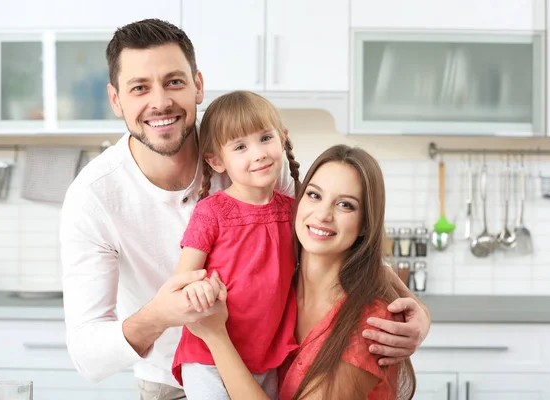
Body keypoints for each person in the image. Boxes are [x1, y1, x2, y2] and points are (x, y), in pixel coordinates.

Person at [59, 18, 430, 400]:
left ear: (197, 85)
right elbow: (89, 356)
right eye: (140, 88)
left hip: (269, 364)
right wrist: (165, 314)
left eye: (174, 81)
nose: (160, 102)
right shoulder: (93, 198)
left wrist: (417, 309)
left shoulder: (252, 155)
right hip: (175, 380)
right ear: (116, 99)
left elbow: (319, 236)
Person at [189, 144, 418, 399]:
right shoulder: (278, 288)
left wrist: (215, 337)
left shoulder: (371, 322)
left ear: (365, 224)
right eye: (314, 195)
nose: (322, 215)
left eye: (345, 205)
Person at [170, 90, 300, 399]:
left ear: (282, 139)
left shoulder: (294, 211)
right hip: (207, 356)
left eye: (265, 138)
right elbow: (180, 282)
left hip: (268, 355)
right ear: (216, 161)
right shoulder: (211, 212)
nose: (258, 153)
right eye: (240, 146)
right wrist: (196, 289)